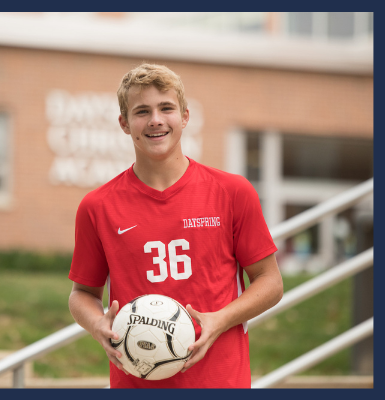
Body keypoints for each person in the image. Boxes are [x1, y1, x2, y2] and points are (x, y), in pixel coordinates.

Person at [68, 63, 283, 389]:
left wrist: (220, 320)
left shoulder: (232, 192)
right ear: (124, 124)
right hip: (135, 383)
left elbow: (270, 282)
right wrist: (97, 324)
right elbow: (82, 294)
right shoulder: (98, 206)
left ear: (184, 116)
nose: (155, 119)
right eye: (142, 111)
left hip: (221, 381)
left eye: (166, 108)